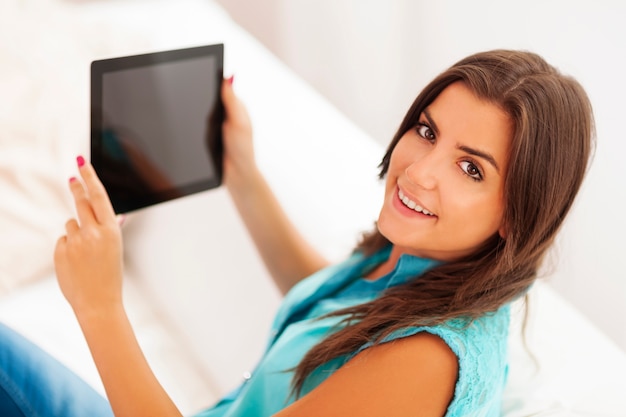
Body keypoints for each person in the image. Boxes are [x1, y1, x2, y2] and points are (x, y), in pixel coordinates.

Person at [0, 49, 594, 417]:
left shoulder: (427, 360)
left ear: (519, 213)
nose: (419, 169)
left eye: (471, 168)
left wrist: (101, 308)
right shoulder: (421, 260)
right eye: (427, 129)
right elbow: (335, 306)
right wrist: (245, 178)